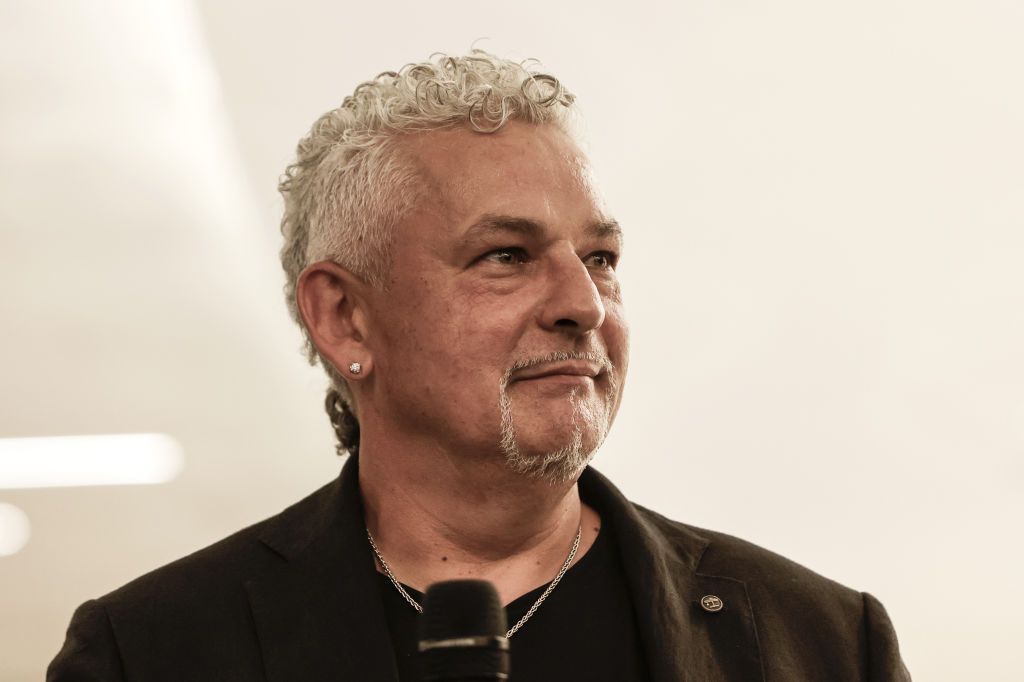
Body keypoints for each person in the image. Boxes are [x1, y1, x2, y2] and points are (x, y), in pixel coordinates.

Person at [48, 51, 911, 681]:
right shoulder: (153, 653)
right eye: (506, 255)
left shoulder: (823, 643)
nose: (583, 303)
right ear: (344, 314)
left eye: (602, 258)